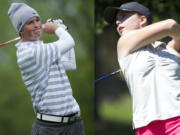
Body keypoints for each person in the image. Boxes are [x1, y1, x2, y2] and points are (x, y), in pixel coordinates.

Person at [104, 1, 180, 135]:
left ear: (142, 19)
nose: (117, 22)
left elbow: (172, 27)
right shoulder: (124, 44)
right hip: (146, 127)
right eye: (116, 20)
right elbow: (170, 25)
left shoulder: (169, 49)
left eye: (123, 16)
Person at [8, 3, 84, 135]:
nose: (37, 25)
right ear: (21, 31)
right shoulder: (30, 53)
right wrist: (57, 30)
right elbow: (69, 42)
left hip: (73, 125)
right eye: (30, 23)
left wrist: (63, 30)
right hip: (51, 128)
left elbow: (70, 64)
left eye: (37, 20)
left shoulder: (43, 51)